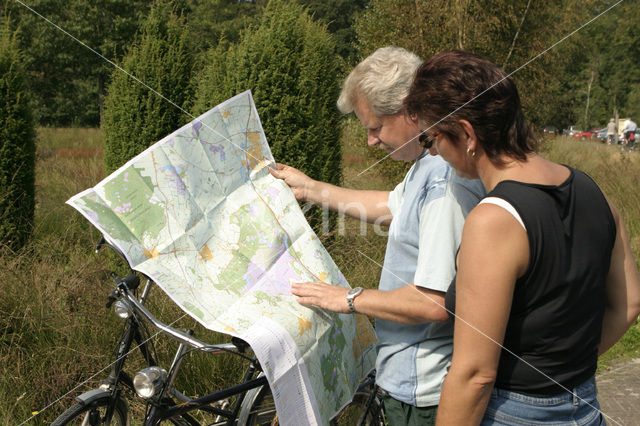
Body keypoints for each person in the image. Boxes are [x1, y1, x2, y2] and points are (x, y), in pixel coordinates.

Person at [404, 49, 640, 425]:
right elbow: (629, 304)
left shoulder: (493, 220)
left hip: (514, 413)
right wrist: (565, 373)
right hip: (585, 405)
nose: (433, 153)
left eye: (431, 140)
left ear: (466, 133)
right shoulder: (596, 194)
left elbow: (474, 375)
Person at [269, 46, 485, 426]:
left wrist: (348, 299)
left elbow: (433, 301)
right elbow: (391, 206)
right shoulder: (430, 162)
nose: (370, 141)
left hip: (426, 395)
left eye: (375, 127)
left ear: (408, 108)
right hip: (407, 383)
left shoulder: (441, 181)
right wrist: (310, 189)